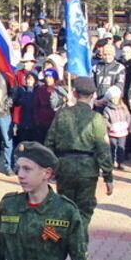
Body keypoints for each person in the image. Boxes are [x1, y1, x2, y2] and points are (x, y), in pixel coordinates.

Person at [45, 76, 114, 222]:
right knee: (84, 211)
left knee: (64, 209)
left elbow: (49, 143)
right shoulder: (96, 118)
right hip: (87, 171)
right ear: (92, 96)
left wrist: (48, 169)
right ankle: (79, 241)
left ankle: (67, 242)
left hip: (64, 168)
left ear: (74, 94)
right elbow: (103, 149)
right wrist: (108, 177)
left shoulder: (62, 114)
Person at [104, 86, 129, 169]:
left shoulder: (123, 107)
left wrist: (126, 124)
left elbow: (128, 116)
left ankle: (121, 162)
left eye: (116, 99)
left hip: (122, 132)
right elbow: (105, 119)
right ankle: (112, 161)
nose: (115, 101)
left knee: (121, 147)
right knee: (112, 147)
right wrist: (110, 126)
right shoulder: (107, 109)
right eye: (113, 99)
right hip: (113, 132)